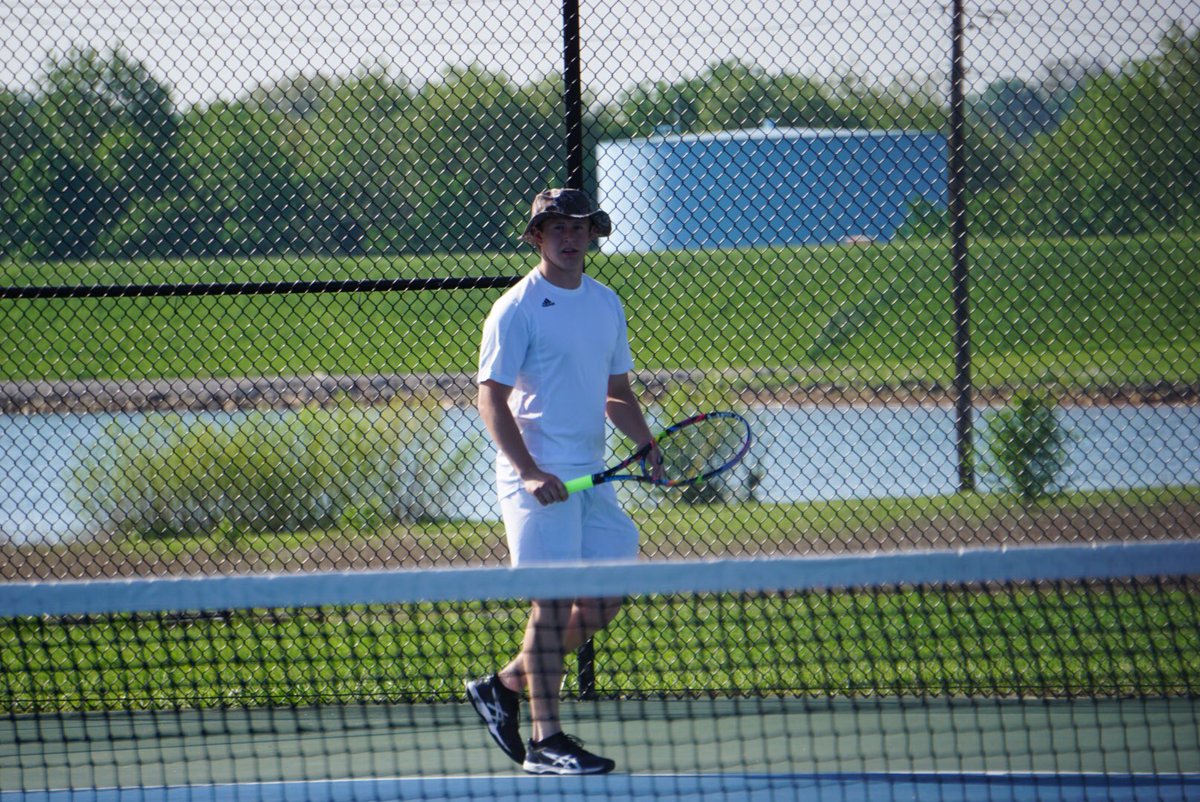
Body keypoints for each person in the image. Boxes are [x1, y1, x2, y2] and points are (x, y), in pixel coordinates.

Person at [465, 188, 660, 776]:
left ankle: (503, 685)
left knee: (604, 597)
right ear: (537, 238)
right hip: (537, 479)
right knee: (551, 604)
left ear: (592, 236)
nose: (570, 238)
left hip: (592, 478)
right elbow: (489, 398)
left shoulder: (606, 304)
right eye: (557, 229)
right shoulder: (516, 307)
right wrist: (528, 470)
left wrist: (645, 442)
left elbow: (616, 394)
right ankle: (546, 740)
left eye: (580, 228)